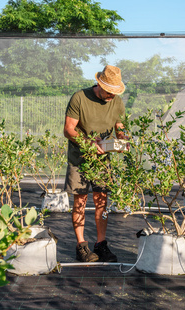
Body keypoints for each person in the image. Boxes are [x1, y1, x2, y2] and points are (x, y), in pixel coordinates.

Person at [63, 65, 127, 262]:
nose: (111, 96)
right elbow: (68, 129)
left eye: (115, 93)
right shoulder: (79, 98)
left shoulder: (117, 102)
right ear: (100, 85)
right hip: (79, 159)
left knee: (102, 202)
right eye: (109, 92)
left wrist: (123, 139)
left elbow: (120, 128)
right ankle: (81, 247)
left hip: (102, 160)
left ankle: (101, 245)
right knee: (80, 202)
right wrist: (88, 144)